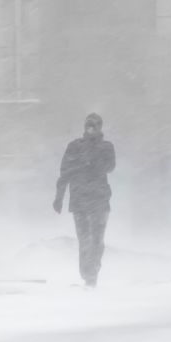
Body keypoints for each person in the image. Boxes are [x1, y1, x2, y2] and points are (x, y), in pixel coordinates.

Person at [53, 113, 116, 287]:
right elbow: (64, 172)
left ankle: (91, 273)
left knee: (96, 240)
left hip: (99, 200)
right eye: (89, 124)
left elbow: (110, 166)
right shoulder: (74, 147)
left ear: (100, 127)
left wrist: (92, 159)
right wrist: (59, 197)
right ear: (84, 126)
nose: (92, 127)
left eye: (95, 124)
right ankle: (87, 273)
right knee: (84, 240)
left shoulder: (106, 147)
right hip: (80, 200)